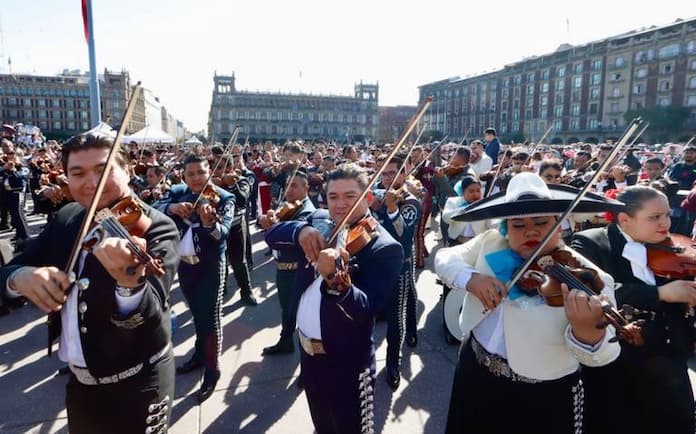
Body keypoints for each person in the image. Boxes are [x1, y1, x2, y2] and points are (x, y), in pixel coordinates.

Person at [0, 133, 180, 433]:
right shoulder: (68, 217)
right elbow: (11, 267)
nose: (91, 183)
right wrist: (19, 279)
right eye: (78, 173)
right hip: (80, 385)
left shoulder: (155, 226)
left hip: (139, 383)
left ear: (128, 170)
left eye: (103, 170)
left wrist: (129, 285)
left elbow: (152, 309)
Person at [435, 172, 622, 434]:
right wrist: (471, 279)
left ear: (559, 225)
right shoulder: (490, 243)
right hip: (474, 370)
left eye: (541, 222)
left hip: (541, 393)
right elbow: (444, 258)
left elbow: (605, 355)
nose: (530, 230)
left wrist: (588, 332)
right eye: (518, 225)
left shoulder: (591, 279)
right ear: (505, 229)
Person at [265, 163, 403, 433]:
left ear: (368, 198)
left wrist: (336, 282)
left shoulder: (384, 247)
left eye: (350, 196)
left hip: (347, 364)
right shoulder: (319, 221)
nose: (340, 205)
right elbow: (272, 235)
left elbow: (367, 309)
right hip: (308, 356)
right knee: (322, 425)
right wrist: (300, 231)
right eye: (333, 196)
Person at [571, 186, 696, 434]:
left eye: (667, 215)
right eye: (654, 217)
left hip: (669, 356)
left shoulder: (673, 244)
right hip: (621, 359)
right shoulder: (590, 243)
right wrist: (660, 293)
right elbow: (591, 291)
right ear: (624, 219)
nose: (665, 224)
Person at [155, 154, 235, 403]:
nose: (197, 178)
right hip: (185, 266)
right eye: (191, 174)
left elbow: (223, 233)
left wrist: (210, 223)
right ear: (183, 175)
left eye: (201, 172)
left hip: (210, 265)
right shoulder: (178, 192)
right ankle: (200, 354)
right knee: (196, 313)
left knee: (210, 317)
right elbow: (151, 210)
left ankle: (213, 368)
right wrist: (172, 208)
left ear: (209, 171)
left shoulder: (224, 197)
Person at [370, 154, 422, 389]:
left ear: (404, 173)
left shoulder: (410, 201)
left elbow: (403, 235)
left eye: (393, 173)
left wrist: (392, 209)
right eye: (385, 173)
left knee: (396, 315)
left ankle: (393, 362)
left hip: (400, 264)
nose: (388, 178)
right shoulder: (376, 194)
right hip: (375, 264)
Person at [260, 168, 316, 355]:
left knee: (303, 315)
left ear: (306, 187)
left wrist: (274, 227)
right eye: (287, 186)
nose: (289, 190)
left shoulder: (307, 212)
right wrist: (265, 219)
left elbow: (287, 239)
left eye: (294, 186)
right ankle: (286, 341)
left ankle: (307, 359)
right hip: (283, 269)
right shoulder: (287, 206)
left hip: (298, 271)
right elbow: (268, 223)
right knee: (287, 309)